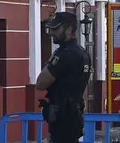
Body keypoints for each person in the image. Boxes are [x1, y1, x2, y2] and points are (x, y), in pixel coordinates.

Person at [35, 12, 92, 143]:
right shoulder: (82, 53)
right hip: (73, 114)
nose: (52, 32)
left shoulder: (65, 55)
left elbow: (40, 83)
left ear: (69, 30)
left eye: (56, 29)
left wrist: (50, 62)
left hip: (63, 116)